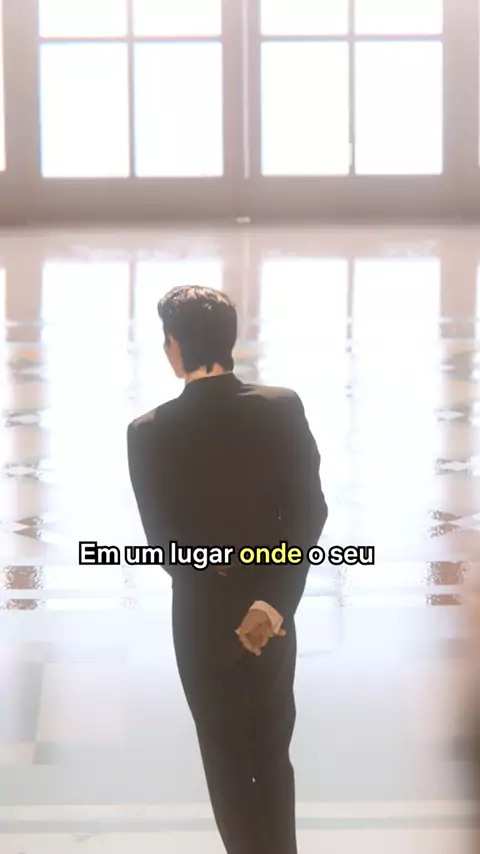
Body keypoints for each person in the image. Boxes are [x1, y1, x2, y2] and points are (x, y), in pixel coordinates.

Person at [127, 285, 328, 854]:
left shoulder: (148, 432)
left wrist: (221, 592)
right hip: (274, 612)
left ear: (175, 346)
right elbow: (308, 512)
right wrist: (269, 602)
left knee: (225, 758)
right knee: (272, 752)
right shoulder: (281, 407)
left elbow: (165, 544)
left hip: (200, 621)